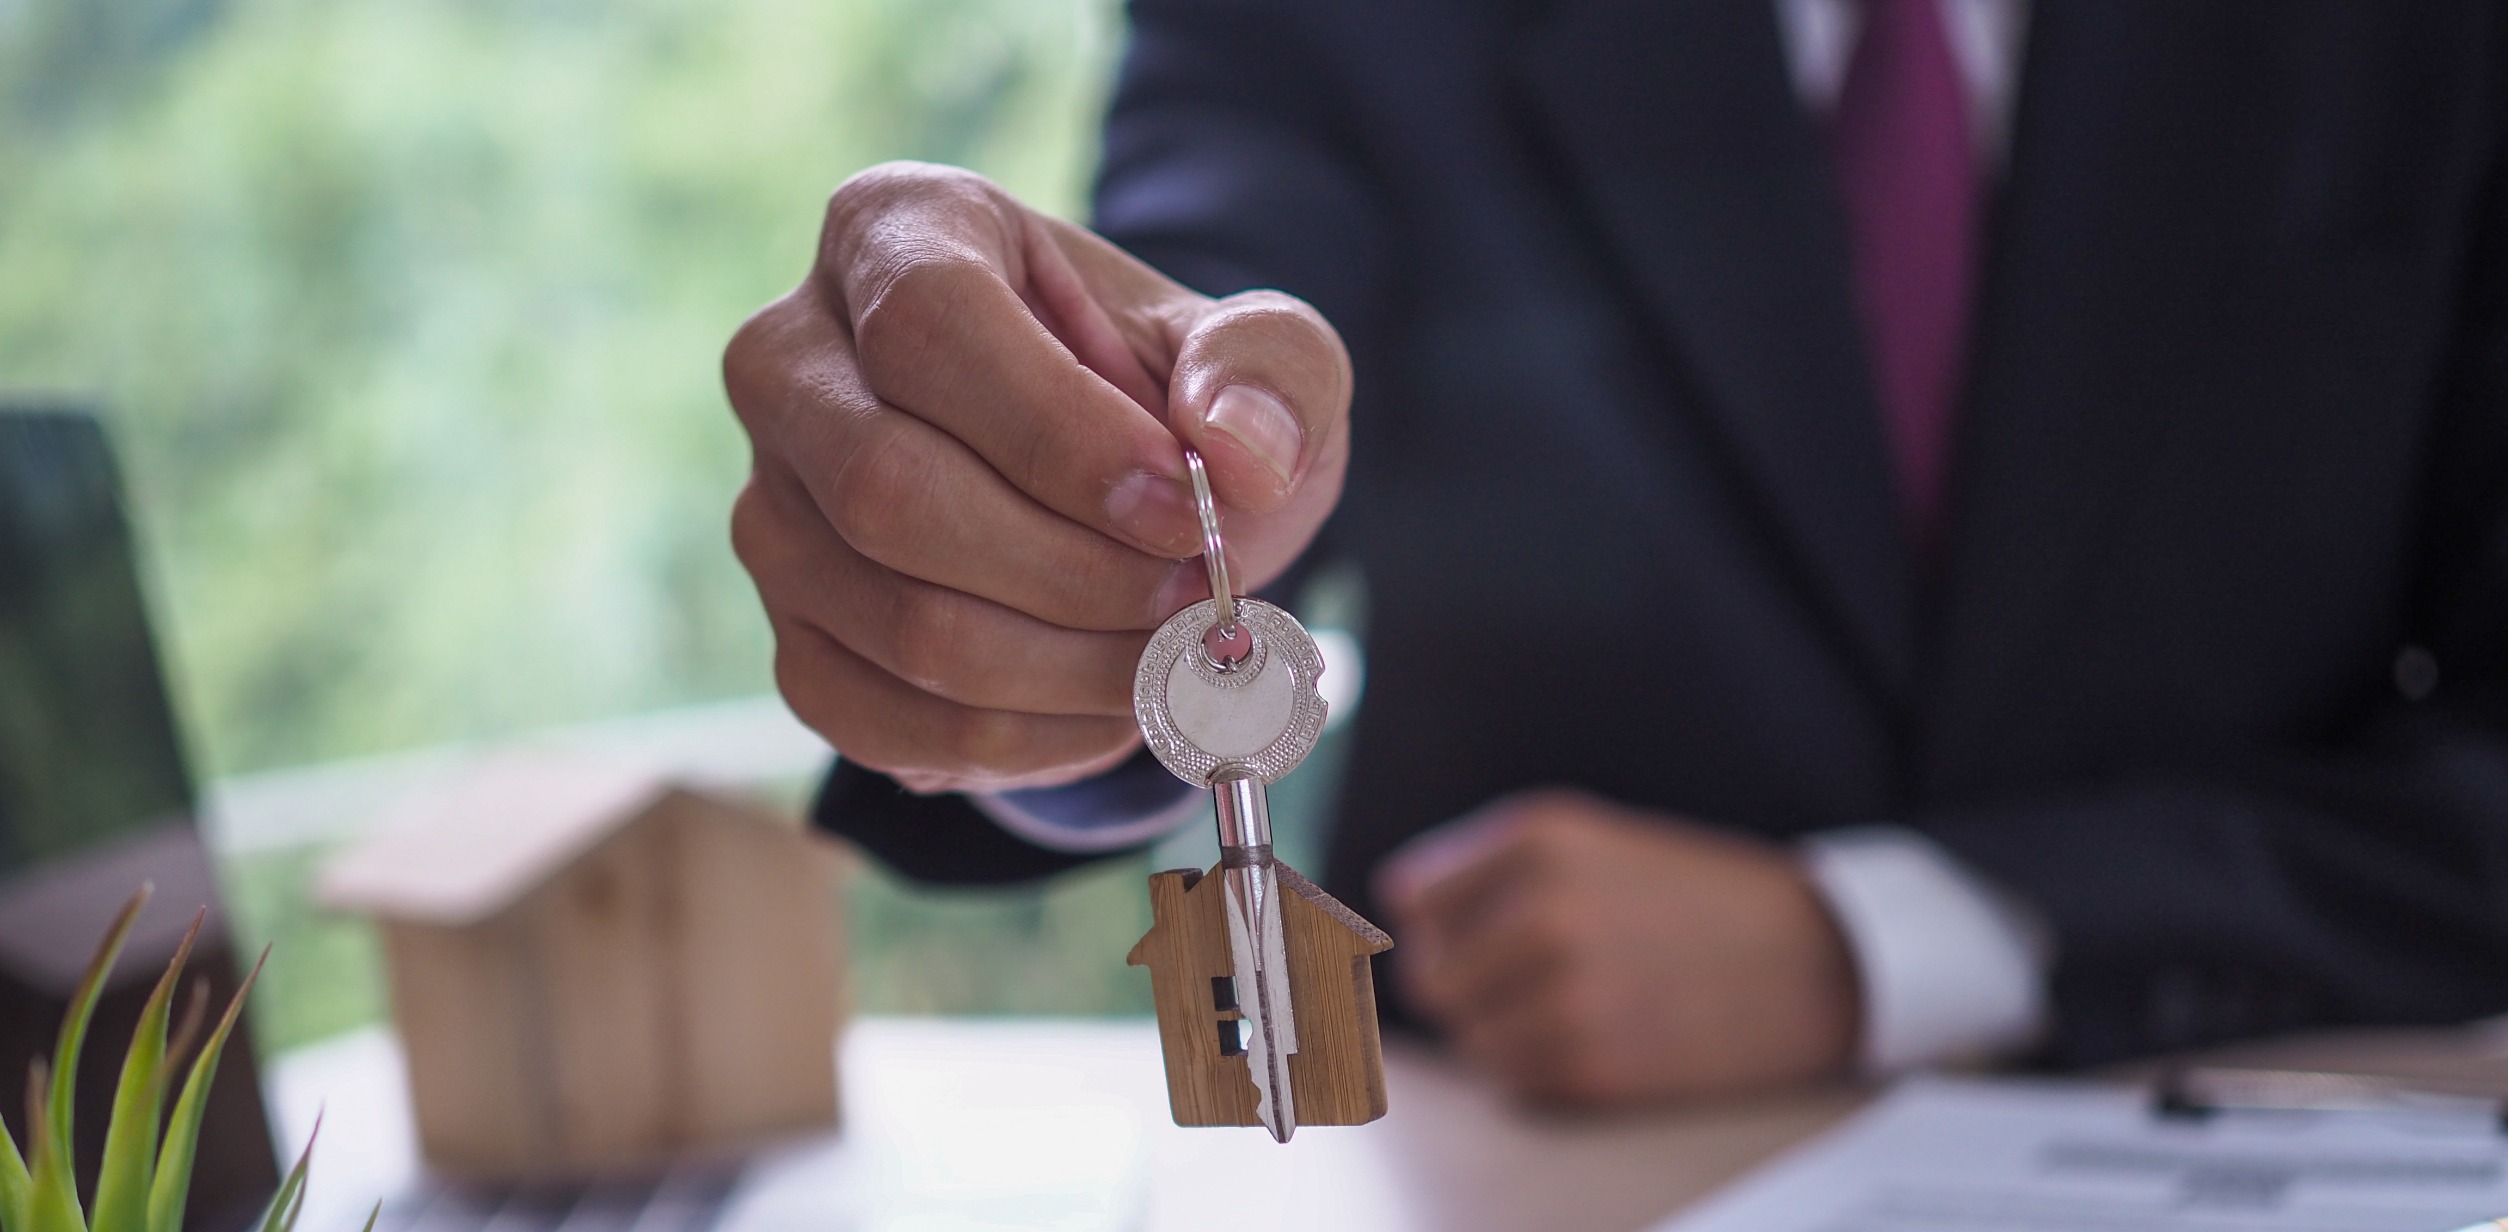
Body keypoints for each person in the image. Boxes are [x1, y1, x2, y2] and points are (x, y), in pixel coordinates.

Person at [722, 0, 2508, 1107]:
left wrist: (1878, 941)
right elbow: (1199, 304)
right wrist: (1044, 513)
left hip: (2278, 1161)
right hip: (1516, 1222)